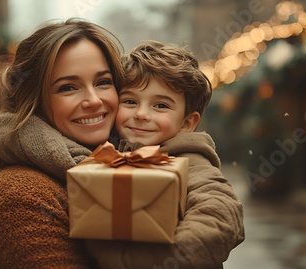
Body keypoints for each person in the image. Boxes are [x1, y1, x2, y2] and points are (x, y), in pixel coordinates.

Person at [0, 18, 127, 268]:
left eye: (103, 82)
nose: (94, 100)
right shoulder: (19, 195)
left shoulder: (130, 163)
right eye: (68, 87)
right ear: (34, 102)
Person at [83, 40, 245, 269]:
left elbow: (220, 211)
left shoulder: (190, 160)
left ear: (187, 122)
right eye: (130, 101)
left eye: (160, 106)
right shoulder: (106, 151)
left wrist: (155, 258)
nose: (141, 114)